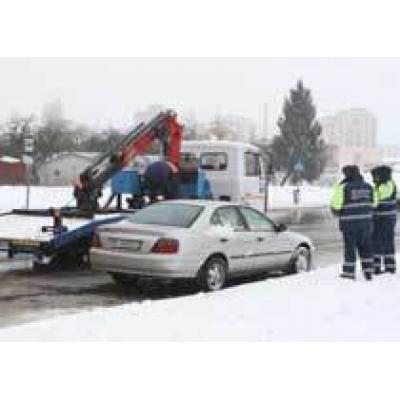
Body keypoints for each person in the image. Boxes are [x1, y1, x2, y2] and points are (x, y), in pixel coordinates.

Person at [330, 165, 375, 280]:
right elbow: (374, 204)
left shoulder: (343, 187)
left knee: (350, 248)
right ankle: (368, 271)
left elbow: (336, 206)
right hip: (366, 224)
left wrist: (334, 210)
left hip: (349, 225)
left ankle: (349, 272)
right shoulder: (369, 187)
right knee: (366, 247)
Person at [371, 165, 397, 274]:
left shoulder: (381, 187)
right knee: (389, 241)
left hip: (380, 218)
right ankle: (390, 266)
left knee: (376, 241)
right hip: (391, 218)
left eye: (375, 176)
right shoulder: (392, 184)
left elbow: (374, 202)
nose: (374, 178)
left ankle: (376, 266)